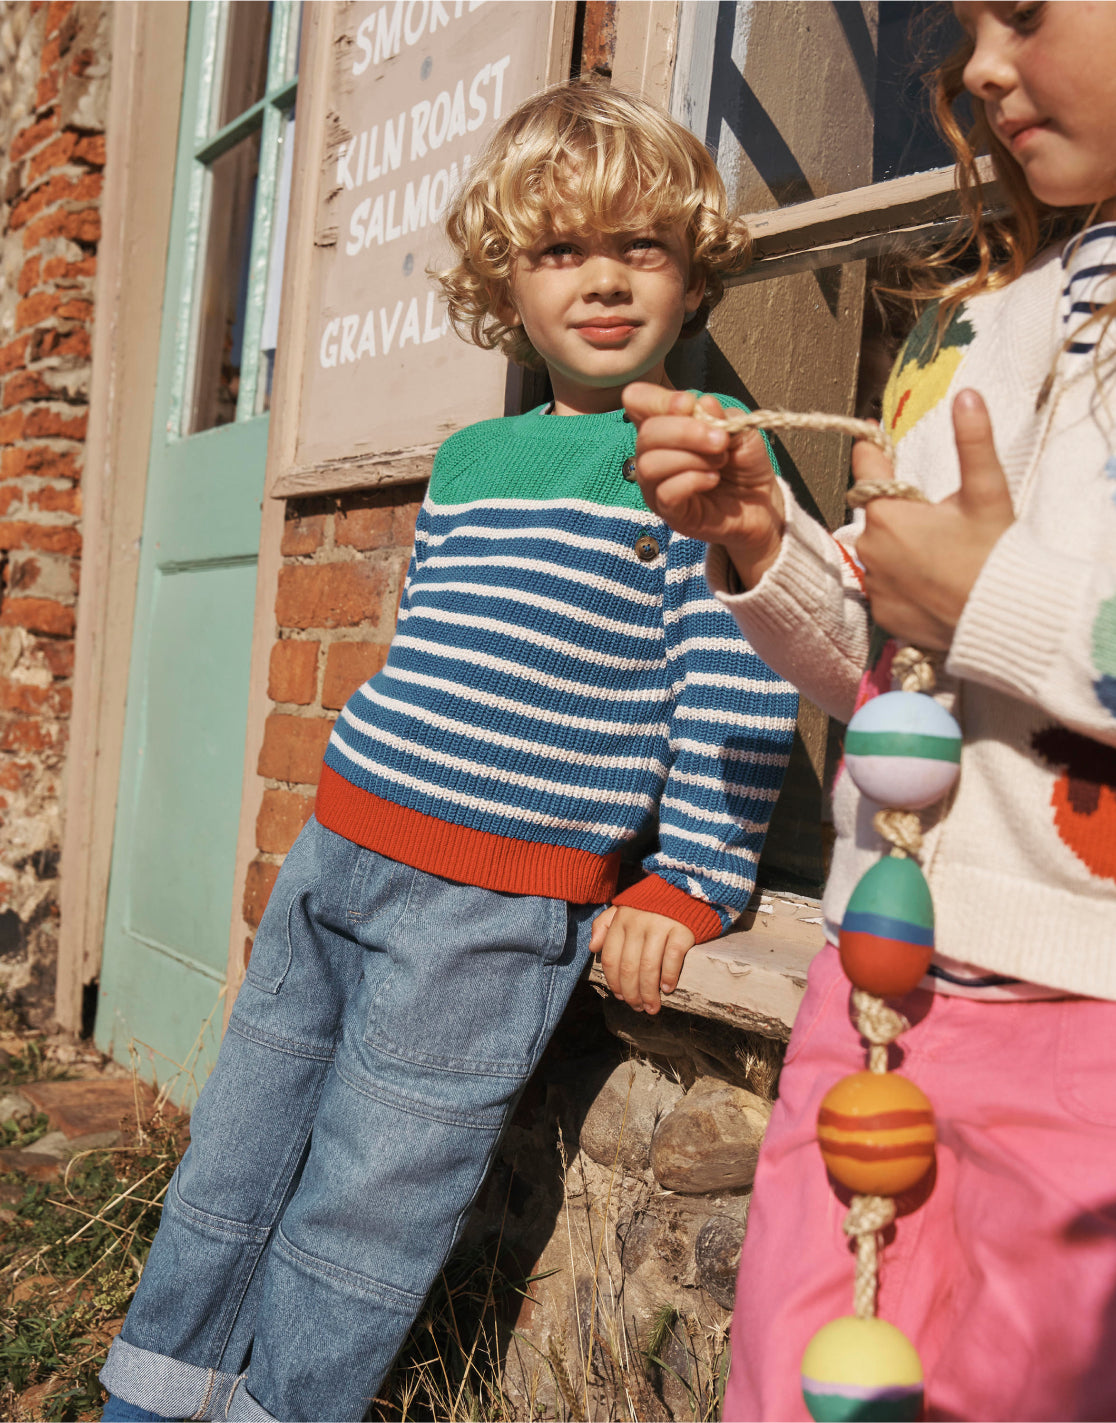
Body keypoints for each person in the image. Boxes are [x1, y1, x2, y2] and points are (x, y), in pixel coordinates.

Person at [98, 82, 797, 1423]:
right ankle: (152, 1392)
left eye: (640, 247)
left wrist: (690, 879)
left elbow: (745, 673)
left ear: (693, 268)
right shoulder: (474, 456)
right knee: (239, 1147)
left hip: (490, 907)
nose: (602, 281)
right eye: (560, 252)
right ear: (506, 281)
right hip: (343, 849)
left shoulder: (702, 460)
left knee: (369, 1206)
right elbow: (436, 640)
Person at [626, 3, 1116, 1419]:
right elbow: (891, 674)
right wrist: (762, 548)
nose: (975, 66)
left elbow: (980, 615)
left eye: (1024, 12)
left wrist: (992, 598)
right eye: (965, 25)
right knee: (797, 1388)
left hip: (1085, 1032)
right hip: (871, 1003)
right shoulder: (968, 328)